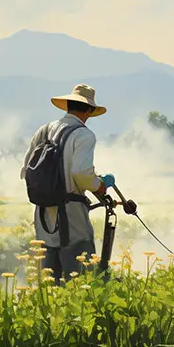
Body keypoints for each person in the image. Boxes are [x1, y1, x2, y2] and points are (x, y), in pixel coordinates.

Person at [20, 83, 115, 283]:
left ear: (68, 106)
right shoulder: (84, 135)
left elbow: (26, 169)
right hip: (71, 210)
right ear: (89, 110)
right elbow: (80, 172)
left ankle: (50, 298)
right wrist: (99, 185)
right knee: (79, 269)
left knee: (49, 269)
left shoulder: (45, 130)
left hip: (43, 211)